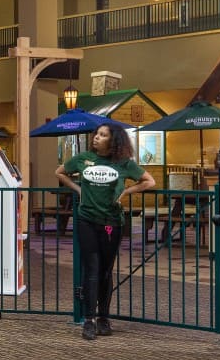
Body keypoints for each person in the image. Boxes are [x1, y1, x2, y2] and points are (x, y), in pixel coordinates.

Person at [56, 123, 155, 341]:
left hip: (112, 221)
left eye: (103, 135)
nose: (97, 138)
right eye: (97, 134)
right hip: (87, 220)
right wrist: (79, 190)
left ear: (113, 140)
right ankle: (89, 320)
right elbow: (60, 172)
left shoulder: (124, 163)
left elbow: (149, 181)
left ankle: (104, 318)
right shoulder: (83, 159)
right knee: (92, 268)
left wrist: (126, 191)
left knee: (106, 271)